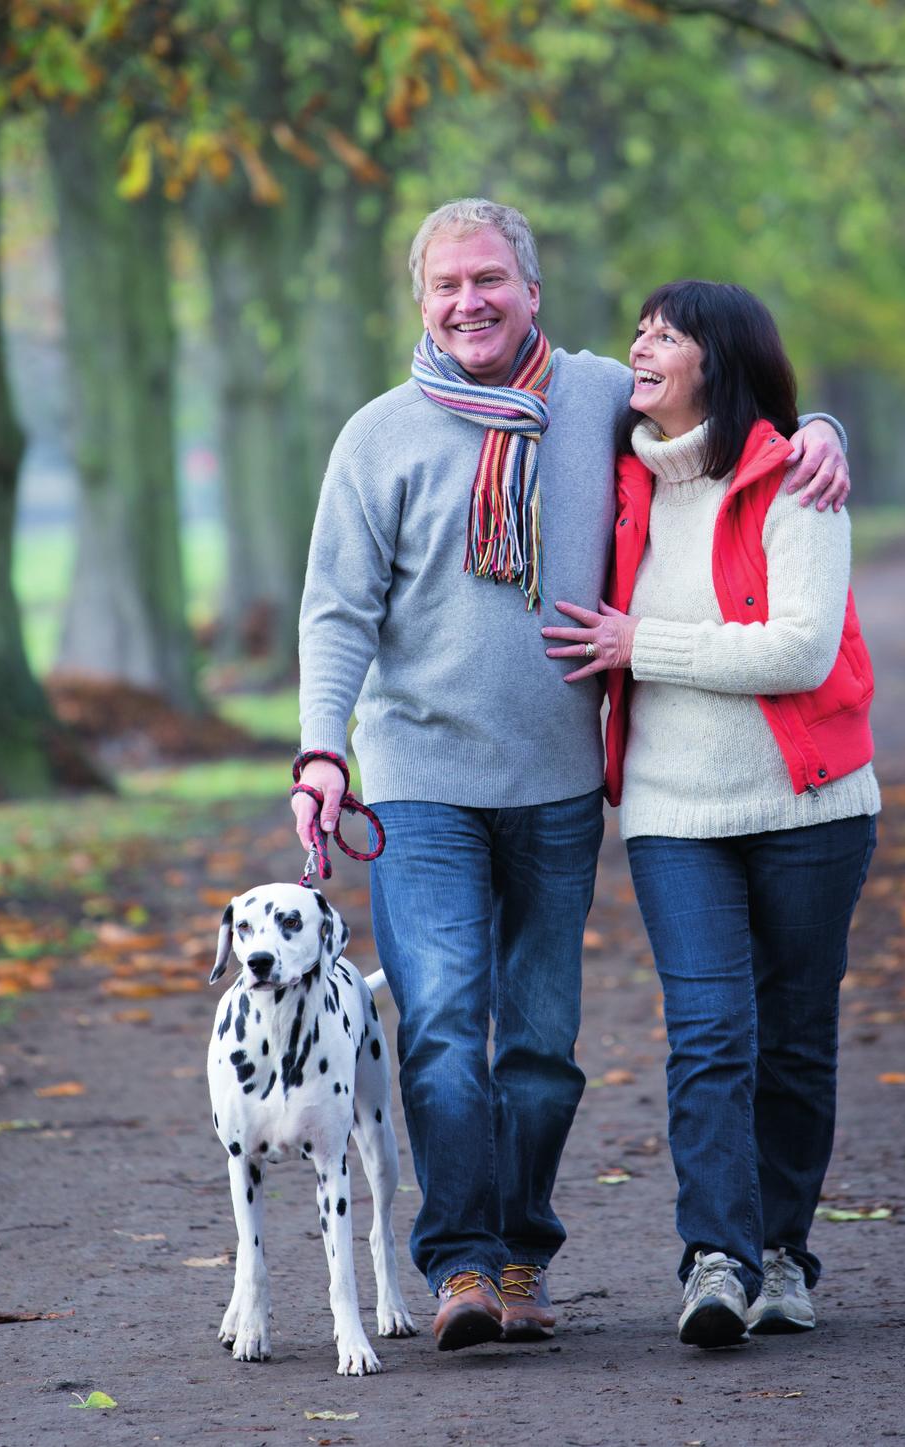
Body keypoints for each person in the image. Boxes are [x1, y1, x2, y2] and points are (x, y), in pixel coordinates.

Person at [292, 201, 850, 1353]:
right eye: (445, 286)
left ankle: (521, 1256)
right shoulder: (378, 436)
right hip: (418, 779)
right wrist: (320, 752)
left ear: (532, 290)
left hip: (555, 785)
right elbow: (336, 612)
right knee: (444, 1025)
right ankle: (457, 1265)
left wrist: (824, 427)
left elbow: (727, 409)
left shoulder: (598, 395)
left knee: (540, 1049)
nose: (469, 303)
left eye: (489, 279)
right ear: (420, 302)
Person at [542, 279, 879, 1349]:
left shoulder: (795, 480)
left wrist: (645, 642)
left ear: (718, 363)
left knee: (792, 1037)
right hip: (670, 810)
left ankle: (784, 1252)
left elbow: (798, 647)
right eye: (638, 328)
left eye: (666, 332)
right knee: (708, 1036)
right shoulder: (613, 474)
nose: (639, 345)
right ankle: (715, 1259)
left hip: (810, 803)